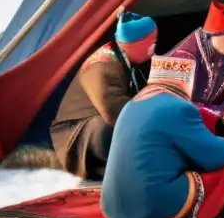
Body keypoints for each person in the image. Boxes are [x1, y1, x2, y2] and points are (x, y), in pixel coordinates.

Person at [100, 55, 224, 218]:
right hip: (148, 209)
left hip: (111, 208)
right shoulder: (179, 108)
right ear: (185, 82)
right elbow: (215, 156)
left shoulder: (131, 105)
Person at [48, 9, 158, 180]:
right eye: (151, 42)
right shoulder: (102, 66)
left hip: (92, 127)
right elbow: (115, 111)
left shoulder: (126, 59)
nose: (155, 45)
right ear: (136, 45)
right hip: (74, 138)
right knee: (107, 128)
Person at [167, 0, 224, 141]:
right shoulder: (182, 57)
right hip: (174, 133)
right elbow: (174, 106)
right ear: (216, 35)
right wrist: (220, 113)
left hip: (201, 130)